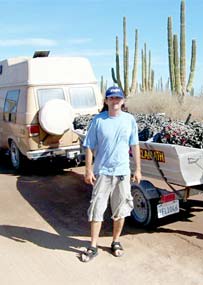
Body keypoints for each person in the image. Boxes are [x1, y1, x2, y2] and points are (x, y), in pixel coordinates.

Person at [81, 86, 141, 262]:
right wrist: (88, 169)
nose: (115, 101)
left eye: (118, 98)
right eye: (111, 98)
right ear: (106, 101)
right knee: (97, 209)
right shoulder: (98, 120)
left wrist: (137, 169)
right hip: (103, 173)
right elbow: (89, 146)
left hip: (122, 173)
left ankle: (116, 241)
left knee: (121, 210)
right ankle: (93, 245)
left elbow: (135, 145)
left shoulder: (129, 120)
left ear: (123, 101)